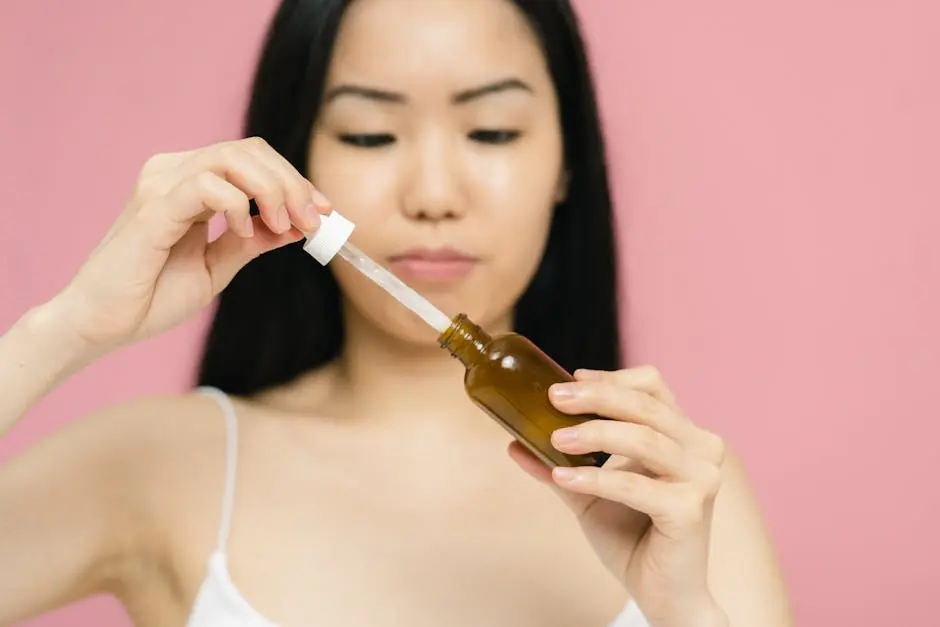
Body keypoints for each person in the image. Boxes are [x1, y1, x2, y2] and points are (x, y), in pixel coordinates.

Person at [0, 0, 796, 625]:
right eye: (371, 134)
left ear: (566, 164)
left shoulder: (672, 493)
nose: (433, 195)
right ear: (297, 160)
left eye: (491, 129)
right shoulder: (158, 465)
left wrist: (689, 616)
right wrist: (62, 329)